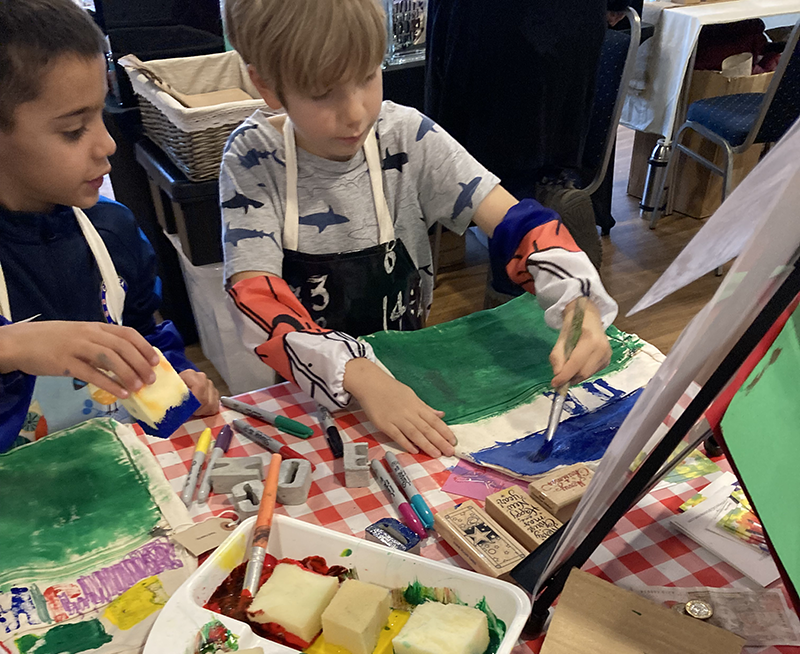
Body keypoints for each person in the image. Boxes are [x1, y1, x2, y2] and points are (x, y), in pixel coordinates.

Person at [221, 0, 618, 459]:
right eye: (323, 93)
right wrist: (361, 376)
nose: (354, 113)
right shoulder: (252, 160)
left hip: (408, 373)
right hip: (311, 394)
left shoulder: (407, 136)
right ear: (266, 85)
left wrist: (576, 296)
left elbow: (516, 222)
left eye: (367, 76)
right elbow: (254, 291)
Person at [0, 0, 219, 452]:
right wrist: (12, 346)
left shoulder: (114, 231)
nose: (108, 144)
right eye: (73, 130)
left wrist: (177, 387)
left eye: (100, 113)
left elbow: (148, 338)